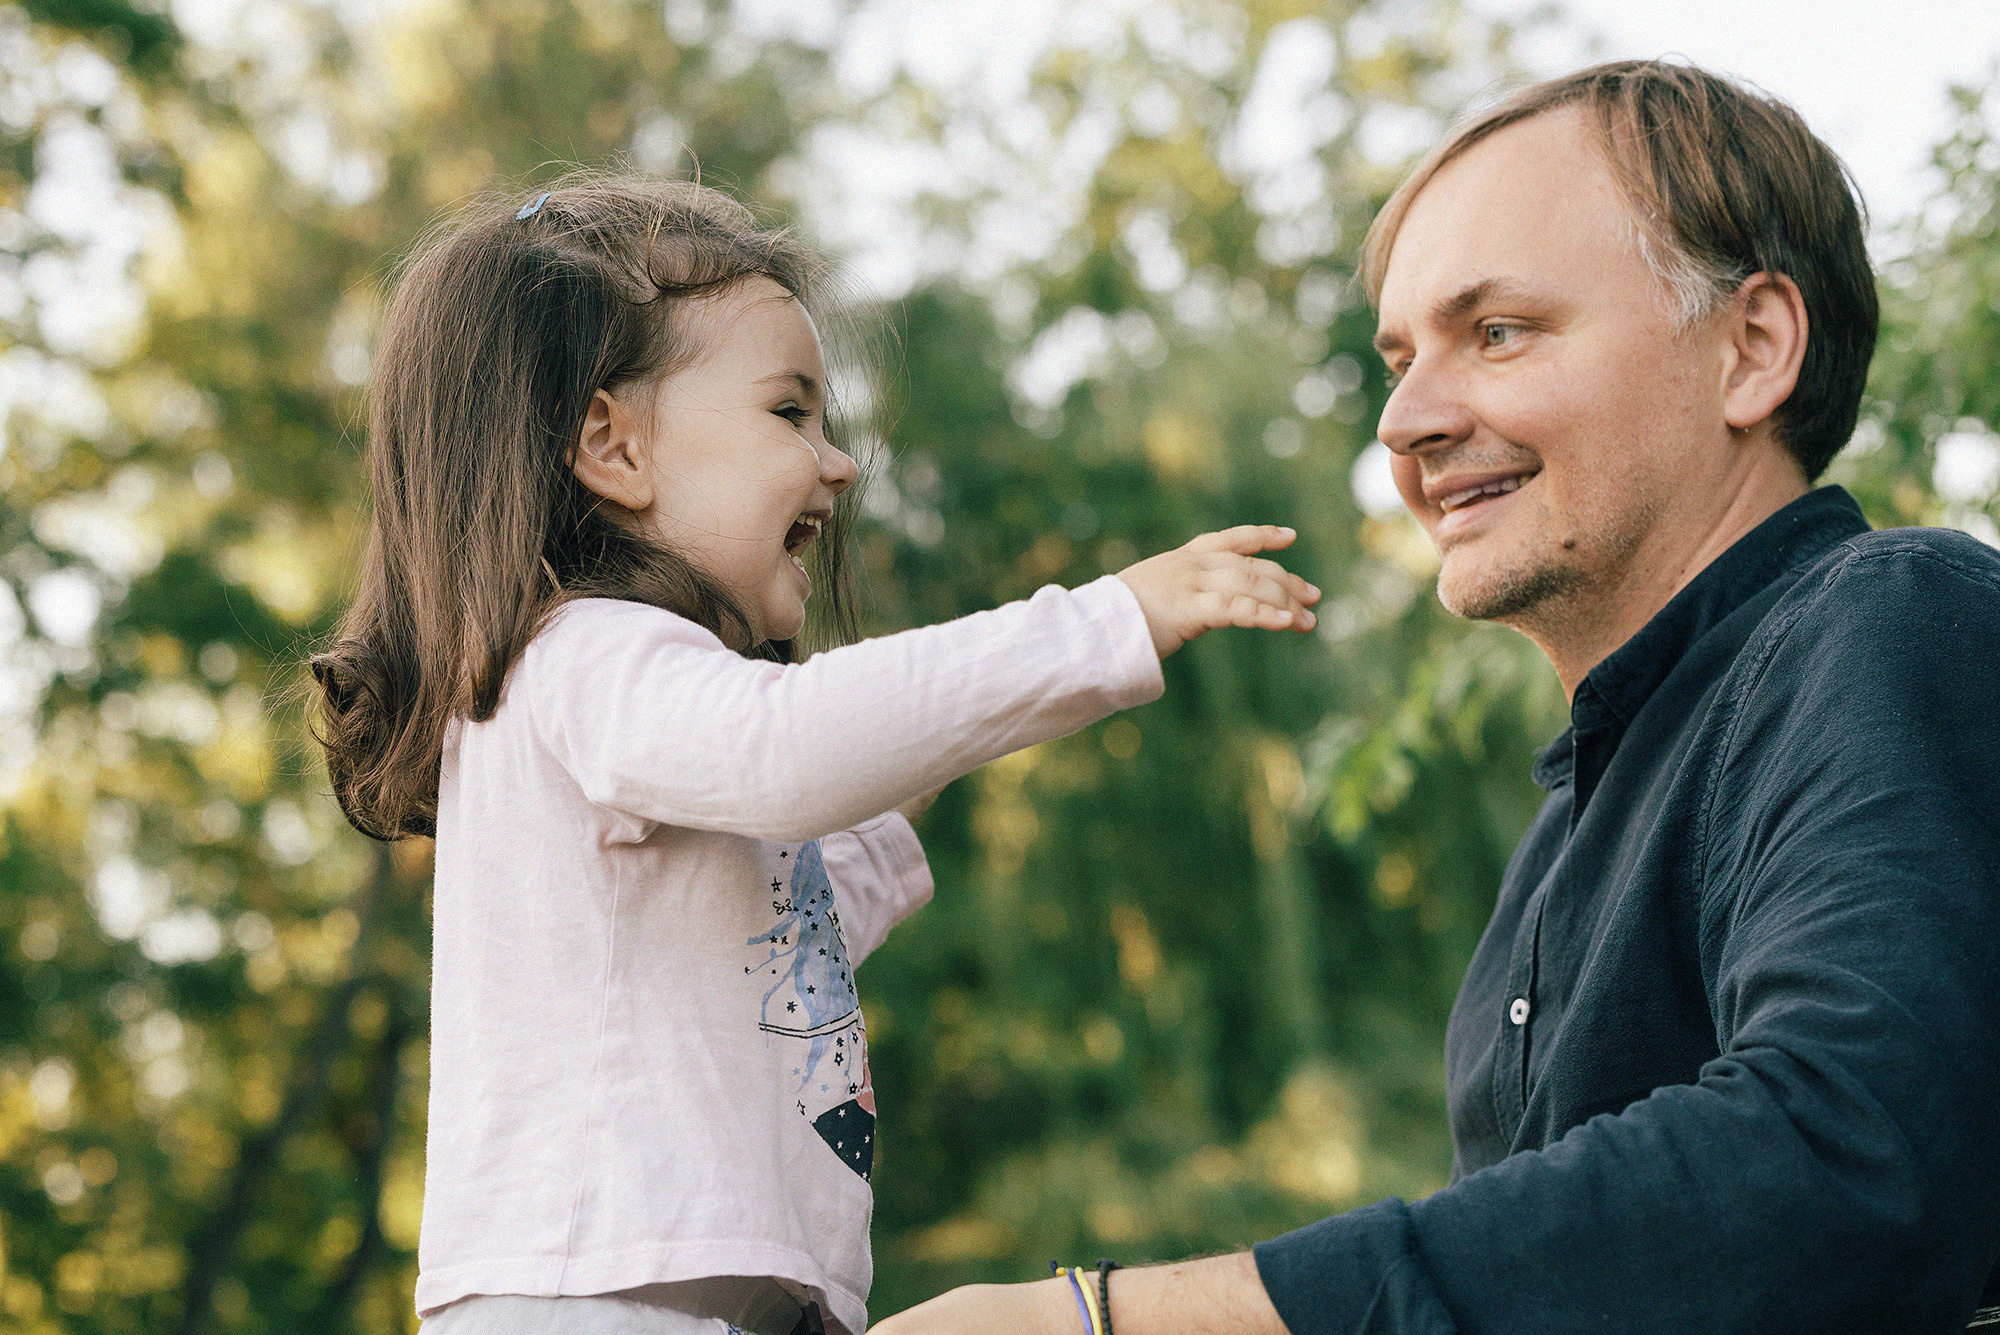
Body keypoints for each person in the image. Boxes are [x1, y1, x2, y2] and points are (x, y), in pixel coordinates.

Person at [875, 59, 2000, 1335]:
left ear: (1750, 350)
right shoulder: (1568, 822)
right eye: (1399, 359)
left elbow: (1852, 1165)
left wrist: (1101, 1321)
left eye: (1496, 332)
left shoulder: (1890, 620)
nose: (1401, 421)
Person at [305, 175, 1319, 1335]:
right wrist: (1101, 623)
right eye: (788, 413)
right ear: (612, 445)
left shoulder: (616, 697)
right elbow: (788, 750)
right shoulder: (582, 654)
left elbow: (776, 935)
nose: (837, 464)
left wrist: (915, 772)